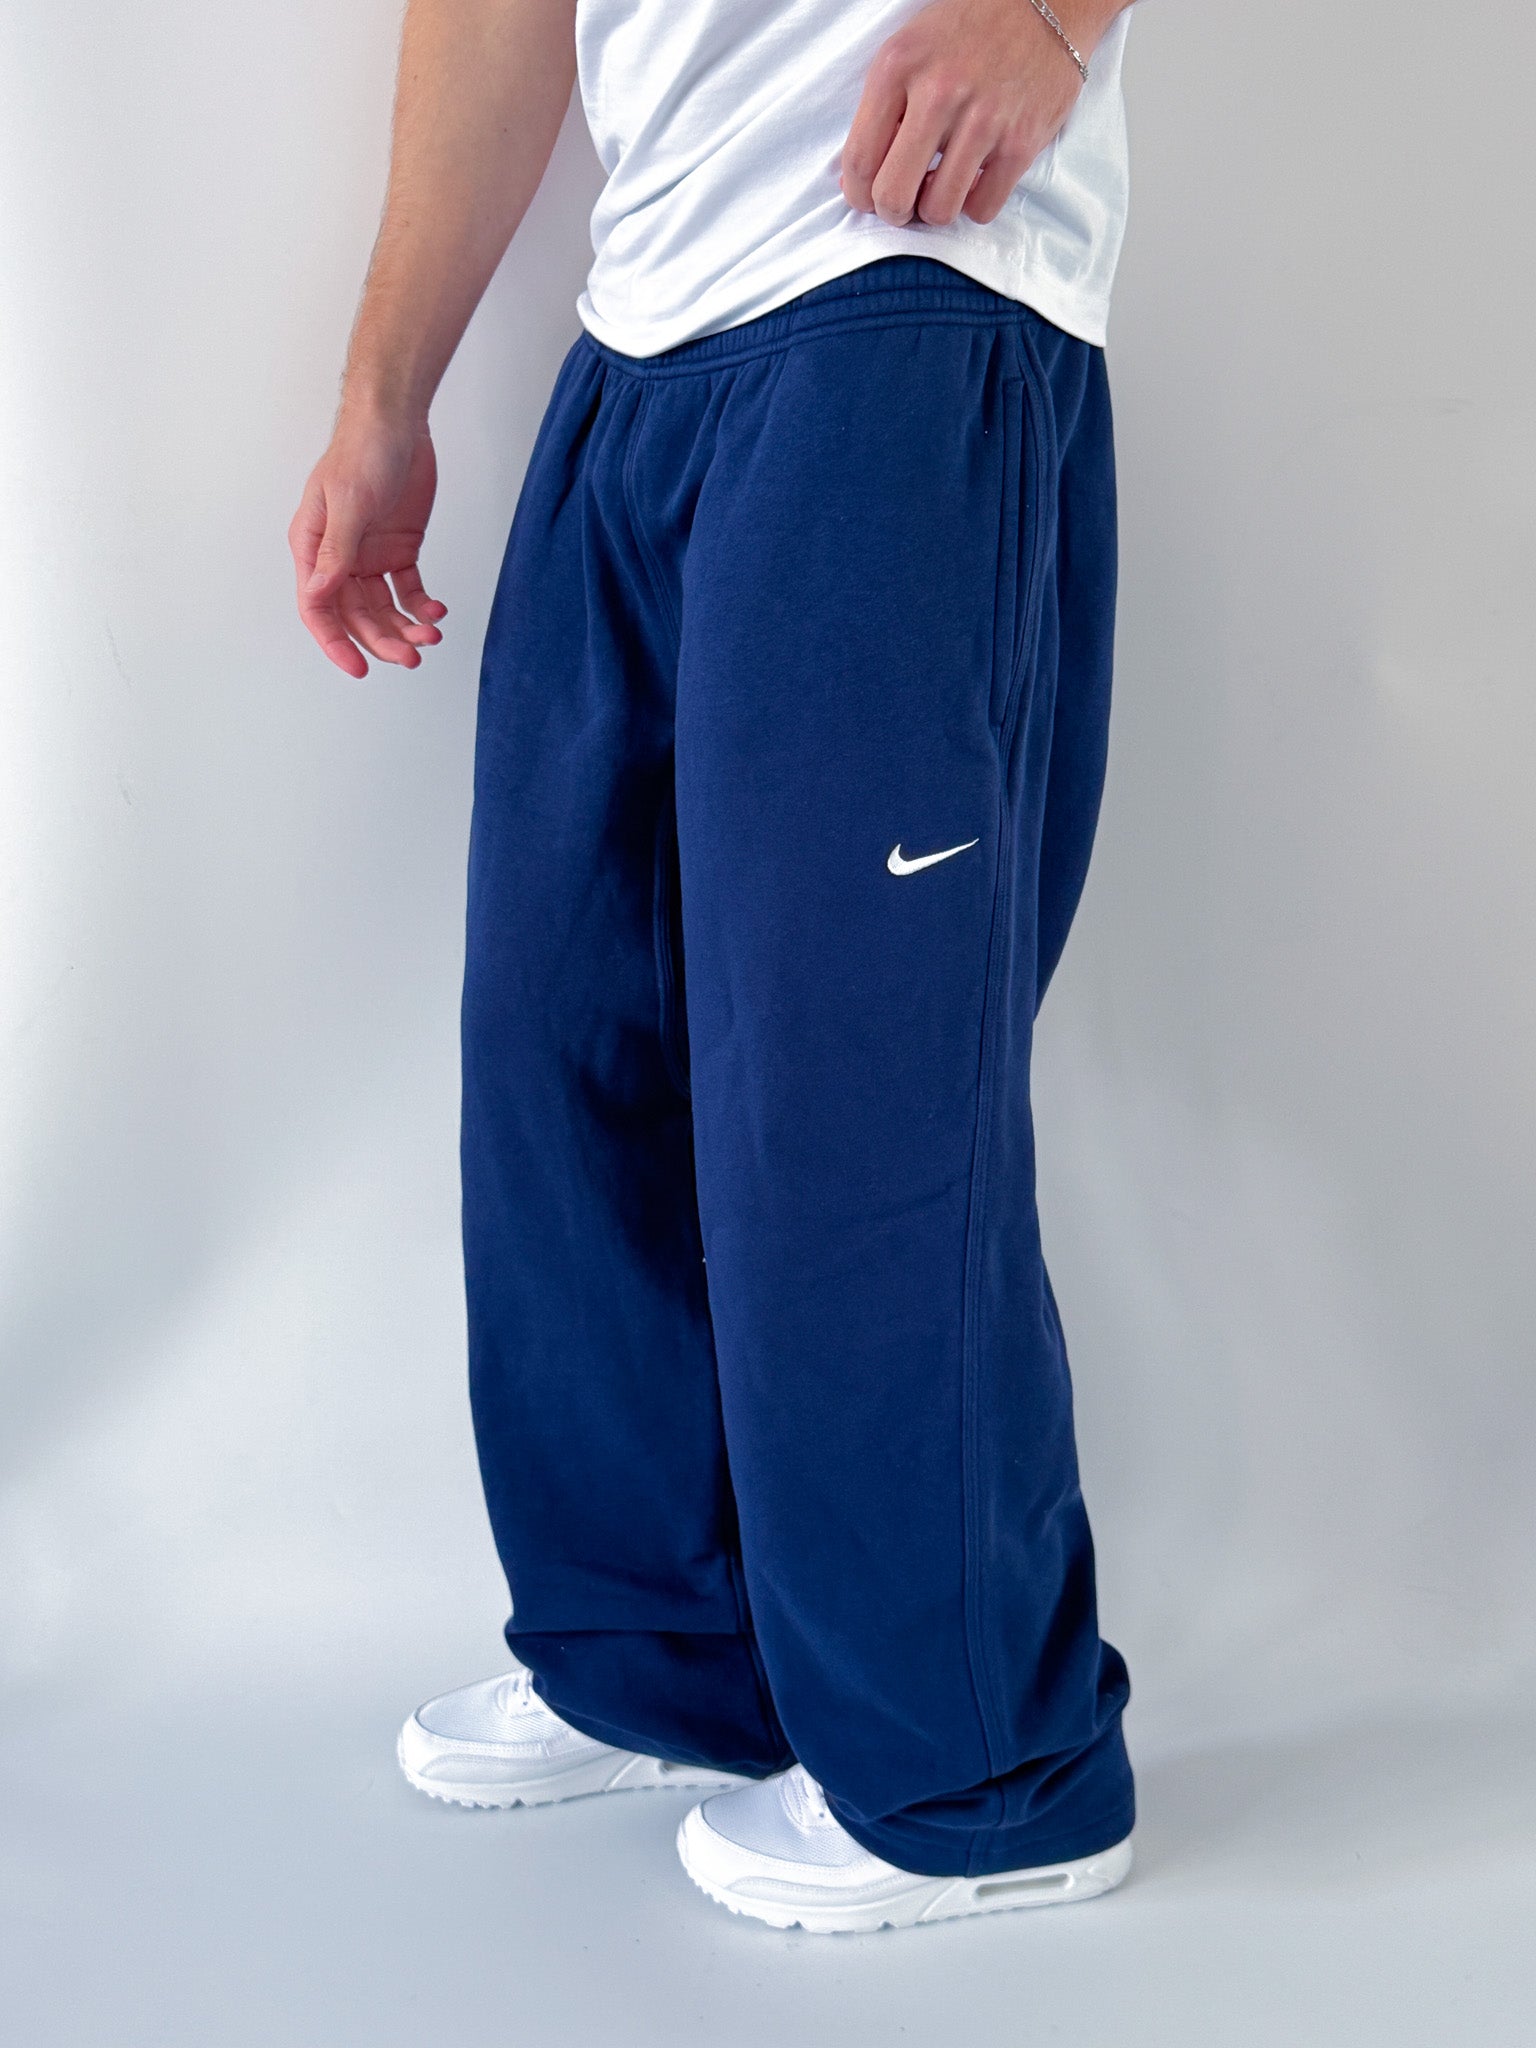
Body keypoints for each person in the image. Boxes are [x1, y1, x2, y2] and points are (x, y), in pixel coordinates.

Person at [290, 0, 1140, 1935]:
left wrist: (1047, 16)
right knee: (565, 1057)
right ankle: (668, 1660)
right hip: (642, 338)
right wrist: (386, 388)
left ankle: (986, 1771)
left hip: (905, 283)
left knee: (857, 1100)